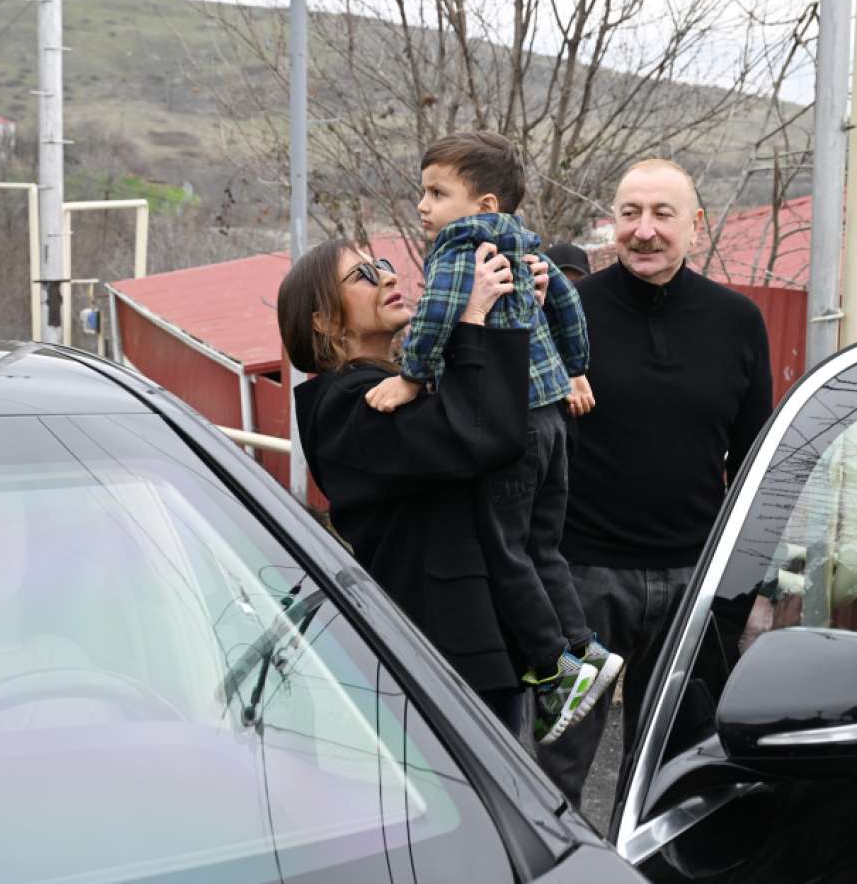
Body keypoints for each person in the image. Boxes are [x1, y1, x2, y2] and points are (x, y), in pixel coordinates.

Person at [365, 131, 621, 745]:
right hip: (552, 419)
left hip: (515, 422)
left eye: (437, 193)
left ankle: (555, 670)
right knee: (542, 546)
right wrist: (575, 367)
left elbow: (435, 316)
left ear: (482, 205)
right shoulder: (526, 246)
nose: (423, 205)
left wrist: (410, 376)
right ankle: (584, 647)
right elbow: (569, 307)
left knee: (504, 549)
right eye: (423, 192)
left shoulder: (461, 249)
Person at [535, 158, 773, 806]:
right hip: (578, 584)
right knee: (551, 765)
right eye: (630, 213)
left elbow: (755, 464)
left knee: (671, 776)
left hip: (694, 586)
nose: (644, 230)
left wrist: (754, 587)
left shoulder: (737, 321)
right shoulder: (565, 313)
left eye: (663, 214)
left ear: (696, 225)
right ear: (612, 222)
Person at [280, 238, 538, 733]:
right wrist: (474, 319)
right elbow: (481, 437)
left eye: (381, 264)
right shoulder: (347, 407)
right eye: (362, 275)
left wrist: (518, 313)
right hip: (442, 655)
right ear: (325, 322)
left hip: (467, 646)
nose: (388, 276)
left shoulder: (390, 387)